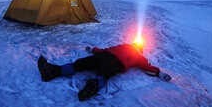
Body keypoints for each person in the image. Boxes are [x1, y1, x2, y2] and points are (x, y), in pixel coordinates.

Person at [37, 42, 172, 101]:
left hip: (116, 62)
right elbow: (104, 49)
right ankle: (53, 71)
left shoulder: (139, 56)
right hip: (103, 56)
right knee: (81, 63)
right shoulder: (124, 45)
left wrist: (159, 73)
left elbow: (146, 67)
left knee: (104, 73)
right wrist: (93, 50)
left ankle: (91, 87)